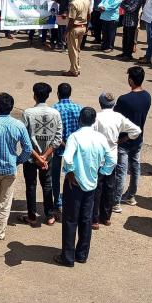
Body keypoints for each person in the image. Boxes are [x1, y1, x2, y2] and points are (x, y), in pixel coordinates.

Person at [55, 107, 114, 265]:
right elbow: (111, 160)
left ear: (79, 120)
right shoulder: (100, 138)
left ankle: (67, 257)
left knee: (70, 220)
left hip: (74, 185)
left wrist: (70, 172)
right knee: (86, 220)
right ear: (94, 121)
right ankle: (81, 255)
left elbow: (67, 158)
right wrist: (102, 172)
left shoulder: (75, 137)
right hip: (91, 185)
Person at [0, 93, 33, 243]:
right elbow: (28, 149)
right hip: (10, 169)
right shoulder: (19, 125)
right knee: (5, 203)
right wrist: (17, 161)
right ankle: (0, 232)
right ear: (11, 107)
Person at [90, 93, 141, 227]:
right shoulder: (118, 117)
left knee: (97, 188)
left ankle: (94, 219)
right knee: (109, 186)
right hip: (112, 157)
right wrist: (123, 139)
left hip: (98, 157)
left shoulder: (97, 117)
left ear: (100, 103)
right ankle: (106, 217)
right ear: (113, 104)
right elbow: (136, 131)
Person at [21, 83, 63, 227]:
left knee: (31, 186)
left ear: (34, 95)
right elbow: (58, 138)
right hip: (48, 157)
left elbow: (25, 139)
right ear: (48, 96)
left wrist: (38, 157)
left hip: (31, 158)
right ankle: (50, 215)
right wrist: (45, 157)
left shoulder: (27, 113)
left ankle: (32, 216)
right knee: (47, 185)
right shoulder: (55, 113)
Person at [114, 67, 151, 207]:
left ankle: (116, 202)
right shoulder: (147, 96)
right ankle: (131, 196)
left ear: (130, 80)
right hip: (138, 139)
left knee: (121, 171)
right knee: (135, 168)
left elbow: (116, 116)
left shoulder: (124, 100)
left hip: (124, 140)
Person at [64, 0, 91, 76]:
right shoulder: (86, 1)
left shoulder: (73, 3)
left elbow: (71, 20)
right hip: (83, 27)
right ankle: (77, 67)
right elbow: (89, 15)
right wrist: (87, 27)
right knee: (77, 49)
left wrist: (66, 31)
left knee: (72, 50)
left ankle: (74, 70)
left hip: (75, 28)